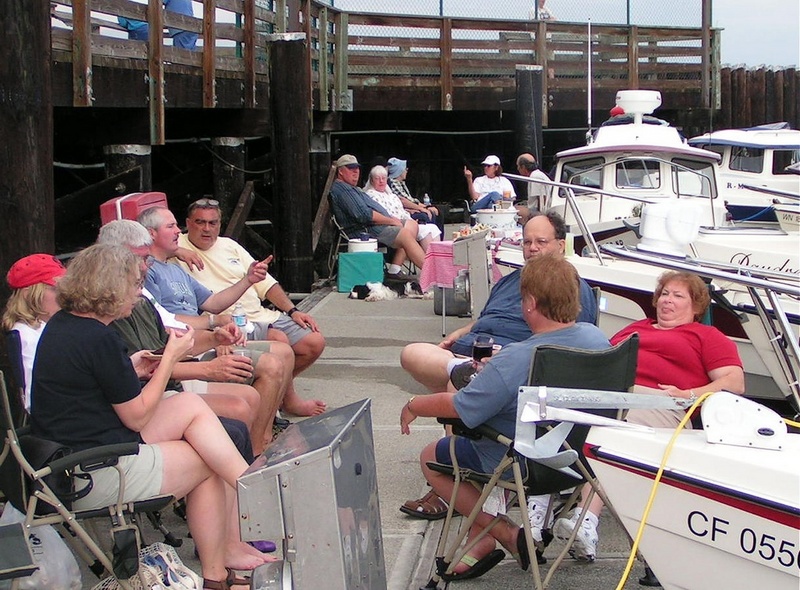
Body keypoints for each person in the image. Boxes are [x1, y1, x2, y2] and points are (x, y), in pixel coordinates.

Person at [30, 243, 274, 587]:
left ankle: (250, 494)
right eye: (133, 284)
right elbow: (138, 418)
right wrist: (171, 359)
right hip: (90, 470)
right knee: (206, 462)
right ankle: (223, 563)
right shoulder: (99, 338)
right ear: (109, 288)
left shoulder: (66, 326)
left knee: (191, 409)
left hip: (71, 452)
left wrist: (134, 366)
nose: (138, 293)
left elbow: (88, 385)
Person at [400, 254, 610, 581]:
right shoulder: (595, 340)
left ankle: (507, 533)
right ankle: (488, 540)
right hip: (578, 462)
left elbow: (460, 407)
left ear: (529, 303)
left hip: (523, 463)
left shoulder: (518, 357)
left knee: (432, 458)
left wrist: (415, 404)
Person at [398, 212, 597, 521]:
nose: (532, 248)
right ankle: (470, 445)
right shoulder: (511, 284)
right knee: (413, 353)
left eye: (541, 242)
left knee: (460, 391)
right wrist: (463, 332)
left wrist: (415, 405)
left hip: (516, 399)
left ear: (560, 245)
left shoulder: (565, 290)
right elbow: (490, 318)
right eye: (527, 241)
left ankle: (459, 486)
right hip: (492, 369)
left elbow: (558, 349)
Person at [549, 271, 745, 563]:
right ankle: (540, 520)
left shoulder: (706, 336)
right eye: (665, 293)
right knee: (552, 421)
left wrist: (687, 394)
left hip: (662, 405)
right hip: (610, 397)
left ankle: (586, 520)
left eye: (678, 296)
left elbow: (734, 382)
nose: (668, 300)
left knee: (614, 434)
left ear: (696, 306)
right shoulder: (634, 329)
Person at [98, 220, 284, 455]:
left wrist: (216, 338)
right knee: (239, 406)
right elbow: (148, 367)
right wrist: (209, 369)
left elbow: (166, 342)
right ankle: (244, 469)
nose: (146, 266)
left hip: (169, 377)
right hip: (150, 395)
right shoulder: (118, 308)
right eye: (141, 259)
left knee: (254, 390)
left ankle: (255, 457)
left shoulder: (143, 297)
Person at [175, 199, 326, 417]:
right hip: (226, 321)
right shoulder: (176, 246)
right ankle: (284, 402)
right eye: (200, 222)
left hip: (259, 314)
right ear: (188, 223)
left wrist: (293, 311)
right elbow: (147, 244)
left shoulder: (230, 245)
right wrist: (178, 250)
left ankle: (276, 394)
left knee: (314, 341)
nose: (207, 229)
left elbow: (265, 283)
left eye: (213, 223)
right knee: (279, 340)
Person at [329, 154, 426, 278]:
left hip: (374, 225)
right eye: (351, 168)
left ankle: (395, 269)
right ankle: (431, 273)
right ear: (341, 171)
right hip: (365, 230)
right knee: (405, 234)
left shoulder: (353, 188)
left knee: (410, 224)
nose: (356, 171)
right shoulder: (343, 190)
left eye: (357, 168)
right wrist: (390, 221)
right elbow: (364, 215)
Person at [2, 254, 65, 410]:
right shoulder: (26, 336)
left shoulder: (43, 329)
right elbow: (34, 399)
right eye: (54, 289)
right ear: (29, 294)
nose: (64, 297)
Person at [364, 165, 441, 252]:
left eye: (383, 178)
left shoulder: (391, 195)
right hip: (393, 227)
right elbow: (386, 215)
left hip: (406, 222)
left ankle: (435, 261)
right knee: (426, 230)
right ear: (372, 180)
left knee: (433, 228)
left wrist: (410, 217)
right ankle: (428, 263)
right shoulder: (371, 195)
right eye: (377, 178)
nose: (381, 181)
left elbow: (400, 210)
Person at [386, 157, 443, 235]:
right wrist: (423, 208)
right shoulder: (394, 183)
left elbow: (411, 200)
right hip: (403, 212)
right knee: (425, 215)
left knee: (437, 212)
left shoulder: (401, 183)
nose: (407, 170)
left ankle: (439, 242)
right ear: (399, 171)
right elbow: (404, 201)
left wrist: (426, 207)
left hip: (411, 208)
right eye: (405, 168)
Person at [118, 0, 199, 50]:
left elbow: (157, 3)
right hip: (191, 27)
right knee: (190, 55)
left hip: (180, 27)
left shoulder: (124, 9)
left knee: (181, 57)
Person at [514, 153, 552, 222]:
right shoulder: (536, 174)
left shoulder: (535, 176)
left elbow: (541, 199)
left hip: (538, 213)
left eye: (518, 166)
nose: (517, 169)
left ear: (523, 167)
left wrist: (541, 218)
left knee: (515, 210)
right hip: (534, 210)